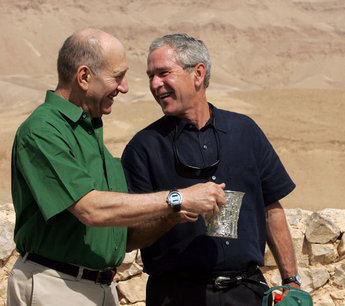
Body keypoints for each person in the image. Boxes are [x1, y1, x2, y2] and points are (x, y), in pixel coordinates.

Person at [8, 28, 225, 306]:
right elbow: (91, 209)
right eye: (117, 76)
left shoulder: (89, 133)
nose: (124, 87)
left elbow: (119, 239)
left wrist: (171, 215)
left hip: (98, 287)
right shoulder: (43, 130)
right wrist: (179, 197)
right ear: (84, 77)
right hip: (56, 285)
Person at [121, 33, 300, 305]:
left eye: (163, 73)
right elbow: (131, 237)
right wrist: (172, 213)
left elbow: (271, 209)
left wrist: (290, 280)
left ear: (198, 74)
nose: (155, 84)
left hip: (247, 293)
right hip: (176, 296)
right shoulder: (143, 147)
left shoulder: (245, 132)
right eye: (150, 76)